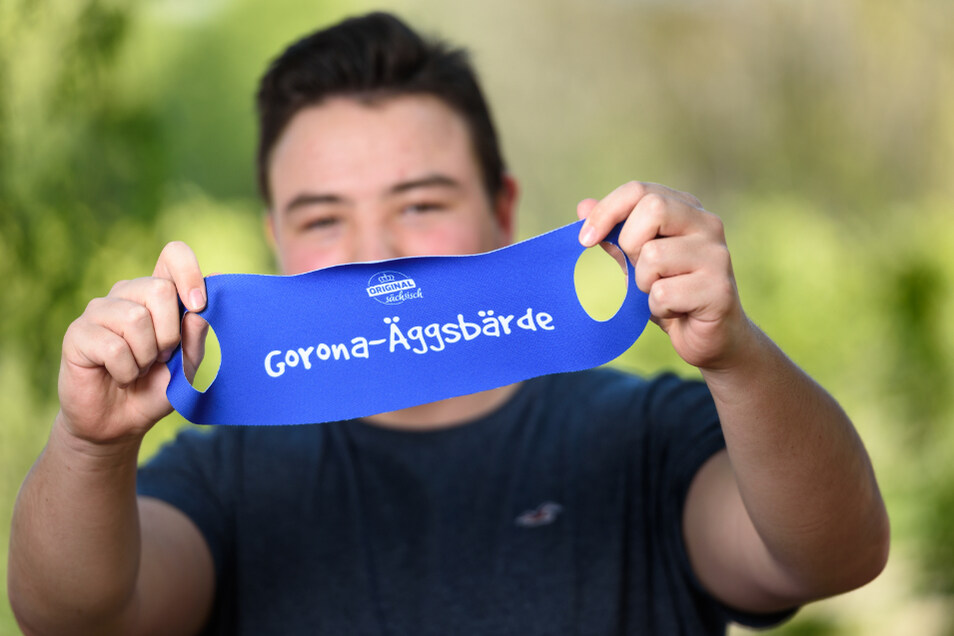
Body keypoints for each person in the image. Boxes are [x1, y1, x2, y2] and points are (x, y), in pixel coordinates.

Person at [8, 11, 889, 635]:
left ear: (504, 210)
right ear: (275, 238)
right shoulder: (222, 472)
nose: (375, 251)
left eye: (421, 203)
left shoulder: (648, 434)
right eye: (322, 218)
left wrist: (738, 358)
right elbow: (76, 621)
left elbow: (833, 558)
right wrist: (89, 445)